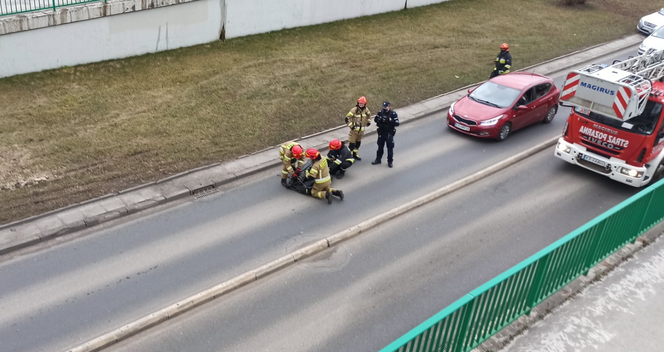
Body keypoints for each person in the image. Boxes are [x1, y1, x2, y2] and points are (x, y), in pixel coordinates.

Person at [372, 101, 400, 168]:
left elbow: (397, 123)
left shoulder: (393, 114)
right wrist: (380, 119)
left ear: (389, 107)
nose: (384, 108)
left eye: (386, 107)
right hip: (381, 133)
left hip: (389, 134)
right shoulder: (380, 112)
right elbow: (375, 120)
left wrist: (391, 121)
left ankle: (390, 162)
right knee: (380, 148)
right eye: (383, 107)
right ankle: (378, 159)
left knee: (390, 148)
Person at [345, 96, 372, 161]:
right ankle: (349, 157)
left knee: (358, 144)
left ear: (365, 104)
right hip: (354, 131)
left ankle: (355, 154)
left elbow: (369, 116)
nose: (361, 105)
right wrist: (351, 126)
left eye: (362, 104)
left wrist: (368, 122)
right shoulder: (354, 110)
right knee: (351, 144)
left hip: (361, 131)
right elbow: (347, 118)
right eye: (360, 103)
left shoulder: (366, 110)